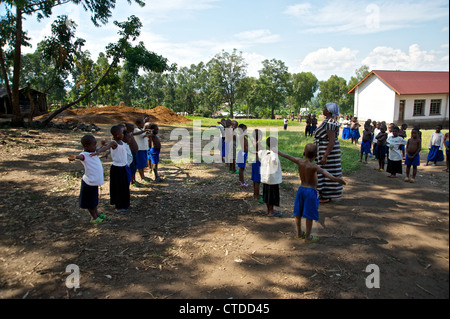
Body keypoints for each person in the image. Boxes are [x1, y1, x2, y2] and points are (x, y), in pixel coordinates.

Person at [277, 143, 346, 243]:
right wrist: (336, 179)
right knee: (309, 215)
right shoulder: (314, 167)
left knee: (298, 213)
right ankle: (308, 237)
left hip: (301, 190)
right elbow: (326, 173)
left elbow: (287, 156)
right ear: (316, 156)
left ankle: (299, 233)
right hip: (311, 192)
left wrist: (277, 151)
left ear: (304, 153)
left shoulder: (299, 161)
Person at [68, 135, 106, 224]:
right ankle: (94, 217)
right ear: (86, 146)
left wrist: (102, 145)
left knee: (94, 201)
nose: (95, 147)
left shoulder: (93, 152)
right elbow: (80, 157)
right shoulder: (84, 155)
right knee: (90, 202)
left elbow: (100, 149)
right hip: (89, 182)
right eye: (94, 145)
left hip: (94, 182)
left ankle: (97, 214)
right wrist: (75, 157)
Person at [95, 125, 131, 214]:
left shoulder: (121, 142)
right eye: (122, 133)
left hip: (123, 167)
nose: (123, 134)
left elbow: (113, 150)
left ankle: (124, 204)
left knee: (124, 187)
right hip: (117, 169)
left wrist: (107, 154)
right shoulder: (114, 142)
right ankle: (118, 207)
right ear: (117, 135)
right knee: (118, 188)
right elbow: (107, 147)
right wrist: (99, 151)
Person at [313, 102, 343, 203]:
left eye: (325, 108)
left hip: (327, 152)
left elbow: (332, 140)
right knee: (324, 171)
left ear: (329, 111)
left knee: (326, 171)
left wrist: (325, 156)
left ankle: (325, 195)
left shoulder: (330, 122)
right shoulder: (329, 121)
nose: (323, 109)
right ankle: (324, 194)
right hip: (324, 150)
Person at [259, 137, 282, 217]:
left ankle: (269, 210)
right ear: (275, 145)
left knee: (267, 195)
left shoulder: (264, 152)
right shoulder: (274, 154)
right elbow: (274, 161)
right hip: (272, 179)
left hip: (266, 178)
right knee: (272, 196)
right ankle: (271, 212)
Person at [133, 119, 150, 184]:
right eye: (142, 123)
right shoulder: (136, 130)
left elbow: (143, 136)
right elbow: (136, 134)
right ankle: (142, 176)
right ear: (139, 124)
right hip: (139, 149)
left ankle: (143, 176)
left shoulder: (142, 130)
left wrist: (146, 133)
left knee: (143, 163)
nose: (143, 125)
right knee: (140, 164)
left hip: (144, 149)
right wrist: (144, 131)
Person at [250, 129, 264, 203]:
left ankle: (255, 193)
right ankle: (257, 197)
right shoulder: (259, 144)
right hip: (258, 163)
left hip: (254, 162)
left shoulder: (254, 142)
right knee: (257, 181)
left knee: (255, 180)